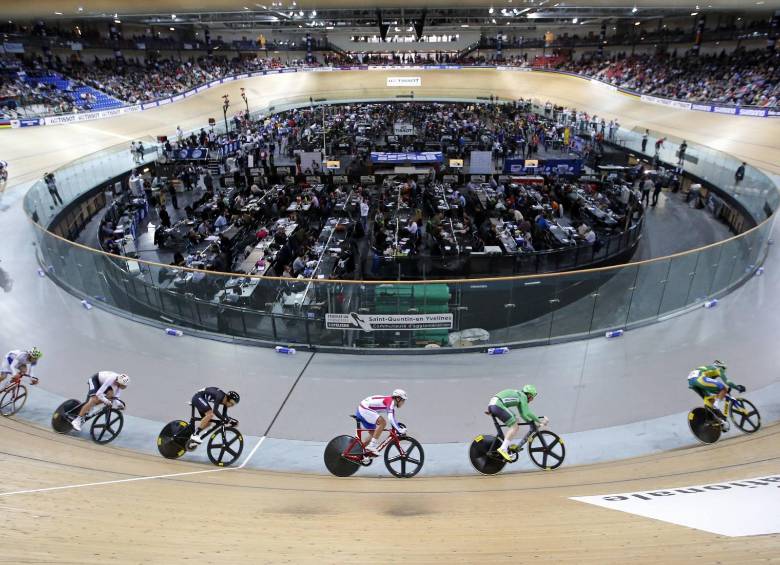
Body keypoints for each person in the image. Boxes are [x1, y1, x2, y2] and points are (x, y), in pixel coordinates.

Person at [488, 385, 548, 462]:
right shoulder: (523, 396)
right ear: (529, 395)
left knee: (516, 420)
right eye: (532, 398)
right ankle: (503, 448)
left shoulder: (519, 395)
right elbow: (527, 412)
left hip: (493, 404)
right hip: (497, 405)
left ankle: (506, 446)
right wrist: (539, 421)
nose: (531, 400)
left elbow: (523, 414)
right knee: (515, 427)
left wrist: (530, 422)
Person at [687, 360, 745, 429]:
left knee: (710, 399)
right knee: (724, 388)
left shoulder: (708, 369)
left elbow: (711, 386)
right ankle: (716, 406)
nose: (723, 371)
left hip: (691, 382)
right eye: (724, 369)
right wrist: (737, 387)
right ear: (721, 366)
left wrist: (720, 393)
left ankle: (718, 421)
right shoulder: (718, 368)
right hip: (699, 379)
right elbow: (727, 382)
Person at [356, 389, 407, 456]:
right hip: (364, 408)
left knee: (373, 434)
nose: (403, 403)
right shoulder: (390, 402)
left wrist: (398, 427)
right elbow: (390, 418)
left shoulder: (391, 404)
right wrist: (399, 430)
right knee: (383, 422)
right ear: (398, 398)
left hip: (364, 409)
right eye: (403, 400)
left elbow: (393, 419)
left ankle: (361, 452)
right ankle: (371, 446)